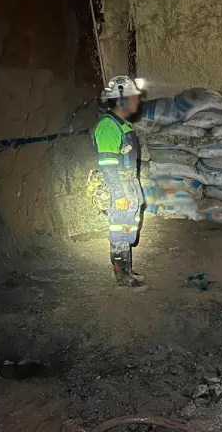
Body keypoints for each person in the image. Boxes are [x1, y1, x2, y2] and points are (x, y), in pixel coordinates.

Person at [93, 76, 146, 287]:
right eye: (133, 98)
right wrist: (118, 194)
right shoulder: (108, 127)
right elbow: (107, 165)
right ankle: (121, 274)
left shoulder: (122, 124)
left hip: (128, 183)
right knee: (119, 230)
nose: (136, 101)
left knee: (127, 227)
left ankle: (127, 269)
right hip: (120, 186)